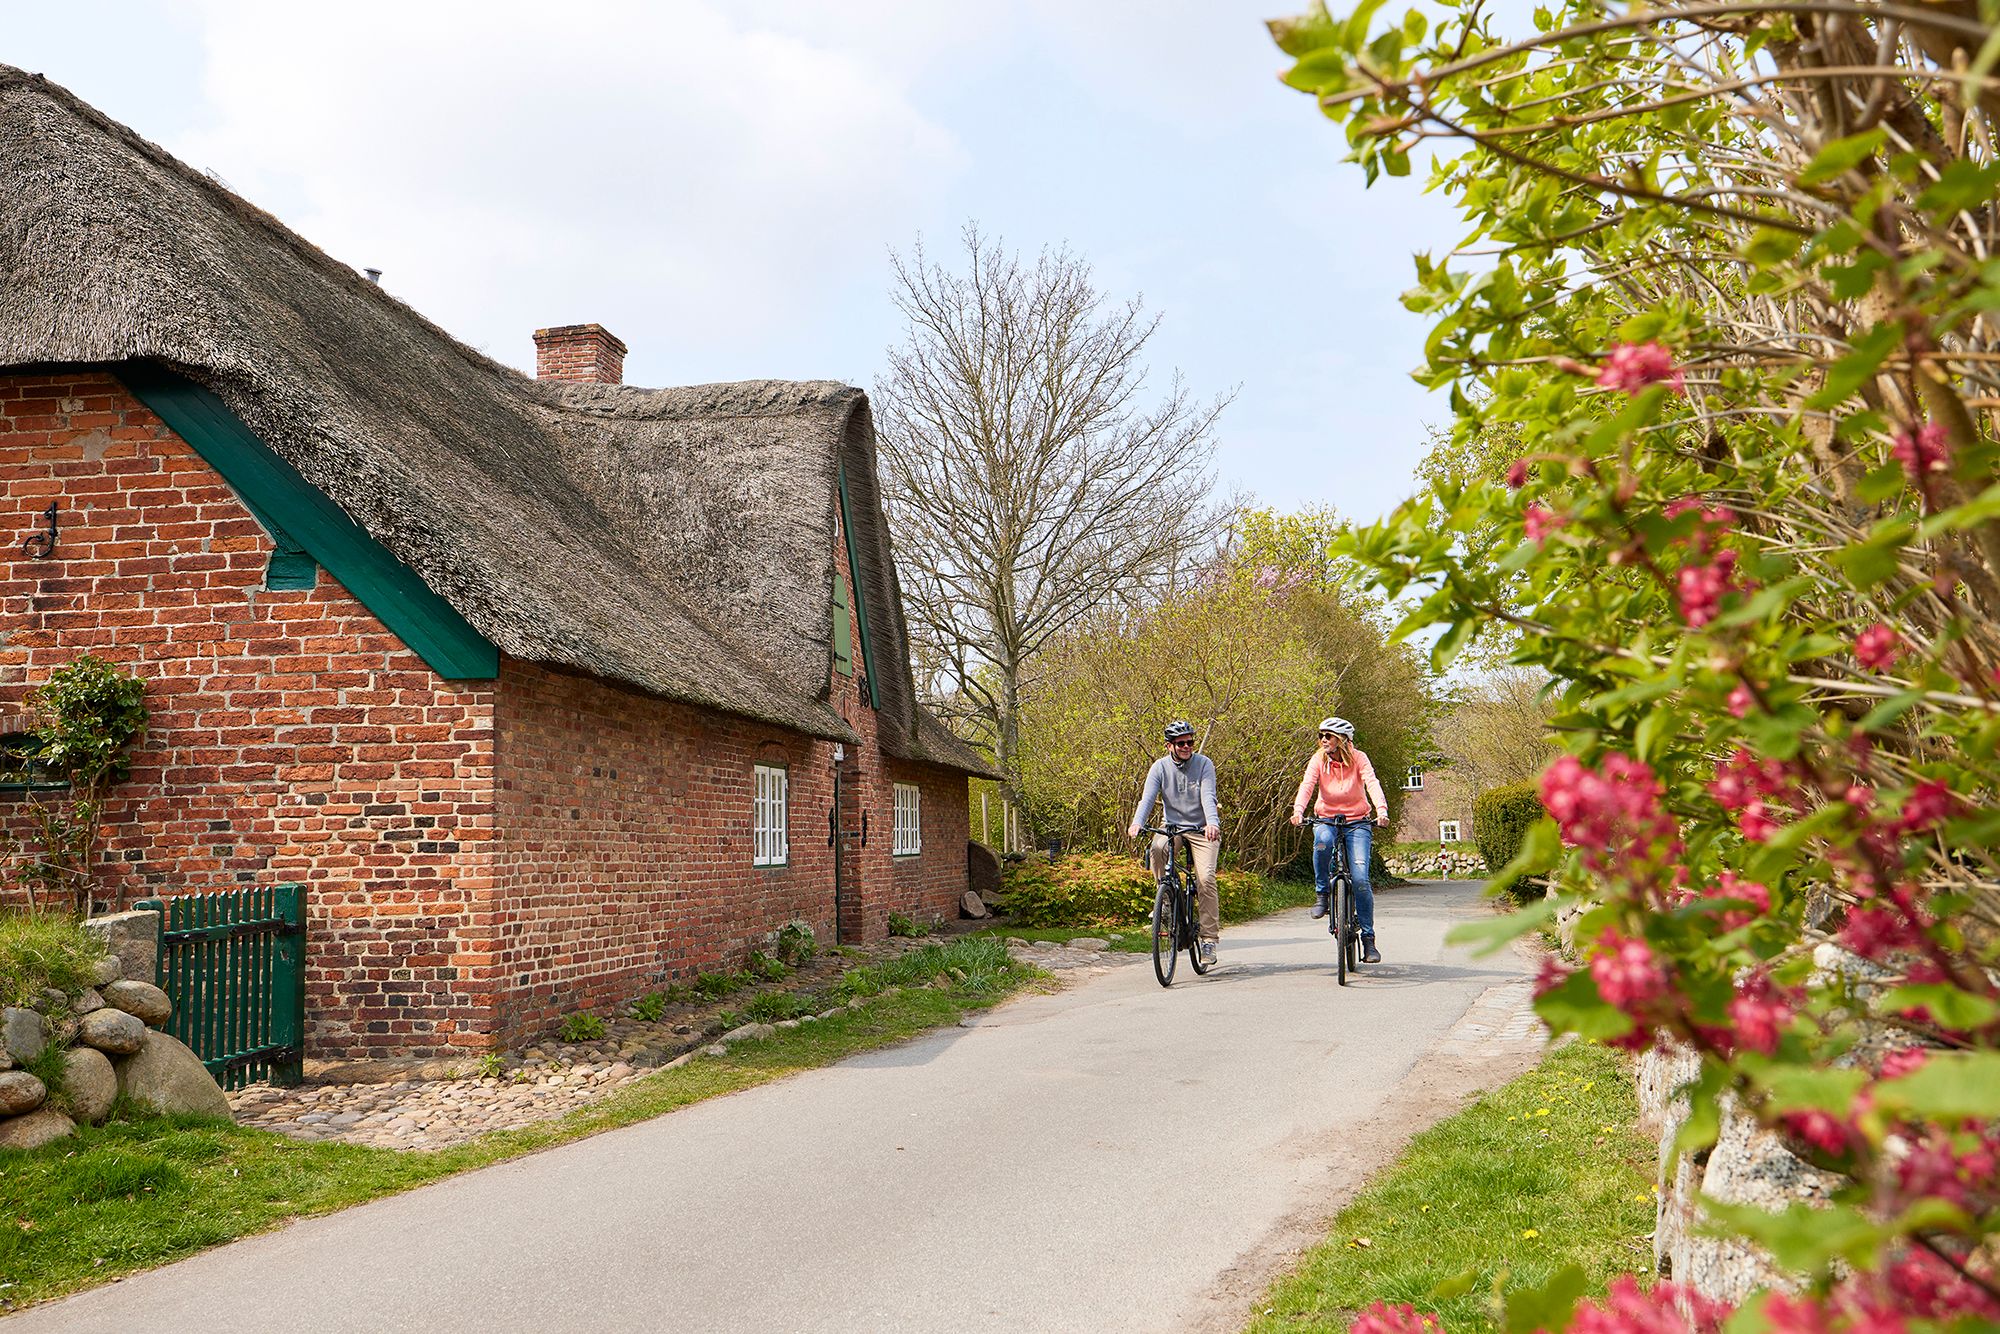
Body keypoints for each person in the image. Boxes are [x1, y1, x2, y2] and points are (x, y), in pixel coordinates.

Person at [1288, 716, 1389, 963]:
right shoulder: (1318, 759)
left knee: (1361, 878)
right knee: (1322, 843)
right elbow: (1307, 785)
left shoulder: (1359, 758)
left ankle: (1368, 940)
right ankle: (1322, 894)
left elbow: (1371, 782)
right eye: (1321, 735)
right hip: (1327, 820)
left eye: (1328, 735)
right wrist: (1298, 810)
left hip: (1358, 822)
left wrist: (1382, 810)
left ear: (1342, 739)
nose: (1323, 740)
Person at [1127, 719, 1222, 966]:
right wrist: (1137, 823)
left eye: (1190, 742)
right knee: (1157, 848)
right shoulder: (1159, 768)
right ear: (1169, 746)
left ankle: (1209, 939)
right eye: (1181, 743)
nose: (1187, 746)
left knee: (1206, 879)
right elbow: (1146, 799)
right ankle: (1166, 899)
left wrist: (1212, 823)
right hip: (1173, 827)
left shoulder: (1204, 764)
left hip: (1202, 829)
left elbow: (1208, 797)